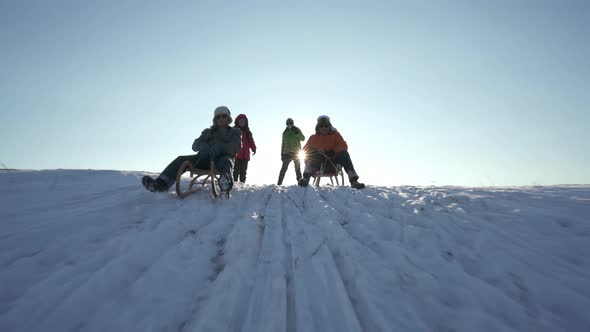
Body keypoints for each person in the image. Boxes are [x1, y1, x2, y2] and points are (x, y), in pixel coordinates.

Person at [142, 106, 242, 197]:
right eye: (218, 117)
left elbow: (236, 147)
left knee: (226, 161)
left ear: (228, 118)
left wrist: (220, 148)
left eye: (224, 116)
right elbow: (195, 145)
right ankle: (161, 184)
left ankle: (225, 184)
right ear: (215, 119)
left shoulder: (234, 132)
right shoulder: (208, 132)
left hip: (221, 160)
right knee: (181, 159)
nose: (221, 119)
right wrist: (202, 146)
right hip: (204, 159)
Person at [298, 115, 365, 189]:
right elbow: (304, 151)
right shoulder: (313, 138)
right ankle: (306, 178)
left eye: (326, 126)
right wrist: (315, 151)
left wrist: (333, 151)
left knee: (344, 154)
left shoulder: (335, 135)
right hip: (319, 164)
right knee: (309, 155)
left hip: (333, 163)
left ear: (329, 126)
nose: (324, 128)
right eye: (321, 126)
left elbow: (343, 146)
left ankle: (353, 181)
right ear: (318, 127)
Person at [278, 118, 305, 185]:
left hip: (296, 153)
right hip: (287, 153)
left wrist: (297, 133)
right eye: (287, 123)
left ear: (293, 123)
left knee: (297, 169)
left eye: (290, 123)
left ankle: (300, 182)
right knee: (283, 169)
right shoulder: (285, 133)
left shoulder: (297, 130)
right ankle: (279, 183)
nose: (289, 124)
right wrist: (282, 154)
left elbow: (303, 138)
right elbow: (283, 144)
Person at [233, 114, 257, 183]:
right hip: (236, 154)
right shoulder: (234, 130)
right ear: (237, 122)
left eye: (244, 121)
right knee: (235, 170)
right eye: (241, 121)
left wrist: (254, 148)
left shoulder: (248, 132)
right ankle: (234, 183)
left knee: (243, 171)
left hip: (245, 155)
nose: (242, 122)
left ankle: (242, 183)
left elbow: (251, 141)